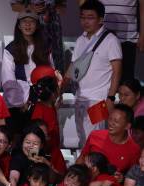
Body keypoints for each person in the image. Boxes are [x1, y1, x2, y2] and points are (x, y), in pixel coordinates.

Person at [66, 0, 122, 148]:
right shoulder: (80, 40)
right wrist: (60, 87)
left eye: (90, 17)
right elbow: (73, 66)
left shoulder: (111, 40)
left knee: (96, 140)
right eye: (82, 17)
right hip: (80, 97)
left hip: (99, 100)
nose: (85, 21)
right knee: (82, 138)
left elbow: (117, 71)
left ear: (100, 19)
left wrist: (110, 97)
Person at [2, 10, 52, 133]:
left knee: (40, 136)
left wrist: (49, 98)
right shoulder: (11, 49)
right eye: (24, 22)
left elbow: (51, 73)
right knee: (19, 137)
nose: (28, 25)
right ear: (19, 25)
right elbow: (8, 79)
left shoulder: (44, 47)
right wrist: (19, 103)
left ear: (37, 25)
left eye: (31, 22)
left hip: (41, 100)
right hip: (20, 103)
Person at [76, 104, 140, 176]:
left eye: (116, 121)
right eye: (110, 119)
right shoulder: (95, 135)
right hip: (88, 181)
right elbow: (82, 158)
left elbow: (133, 176)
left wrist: (122, 179)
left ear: (127, 126)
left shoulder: (134, 149)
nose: (110, 123)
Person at [11, 1, 67, 74]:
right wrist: (30, 8)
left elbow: (62, 8)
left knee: (56, 64)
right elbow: (14, 6)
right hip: (31, 22)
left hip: (53, 28)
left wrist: (50, 8)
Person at [98, 0, 144, 81]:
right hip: (102, 38)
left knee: (125, 81)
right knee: (102, 78)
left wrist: (143, 35)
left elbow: (142, 8)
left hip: (128, 39)